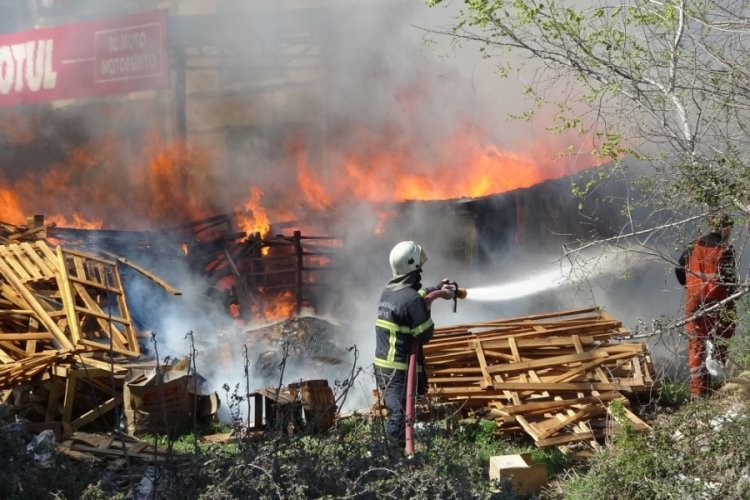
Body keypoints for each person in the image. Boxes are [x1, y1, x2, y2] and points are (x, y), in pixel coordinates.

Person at [373, 241, 455, 450]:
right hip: (398, 371)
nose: (421, 271)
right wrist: (428, 305)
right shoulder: (411, 302)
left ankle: (397, 455)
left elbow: (414, 296)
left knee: (400, 413)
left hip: (383, 366)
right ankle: (391, 460)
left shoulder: (390, 292)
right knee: (400, 416)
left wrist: (436, 289)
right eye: (419, 267)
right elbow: (425, 334)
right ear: (413, 267)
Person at [675, 213, 738, 397]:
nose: (730, 233)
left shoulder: (692, 246)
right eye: (729, 229)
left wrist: (689, 287)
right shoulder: (724, 250)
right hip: (719, 303)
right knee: (720, 342)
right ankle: (725, 387)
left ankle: (699, 393)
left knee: (697, 345)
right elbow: (729, 281)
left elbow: (678, 268)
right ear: (724, 228)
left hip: (694, 303)